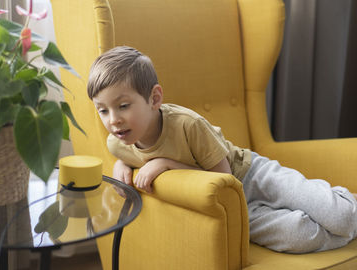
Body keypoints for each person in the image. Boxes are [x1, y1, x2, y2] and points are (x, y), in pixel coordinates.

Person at [87, 46, 357, 253]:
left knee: (341, 216)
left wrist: (167, 164)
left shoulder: (187, 124)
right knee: (299, 235)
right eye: (103, 110)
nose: (113, 120)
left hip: (250, 174)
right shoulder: (118, 142)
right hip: (228, 207)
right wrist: (121, 166)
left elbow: (224, 178)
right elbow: (130, 157)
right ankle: (343, 230)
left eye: (123, 106)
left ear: (154, 99)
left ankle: (345, 204)